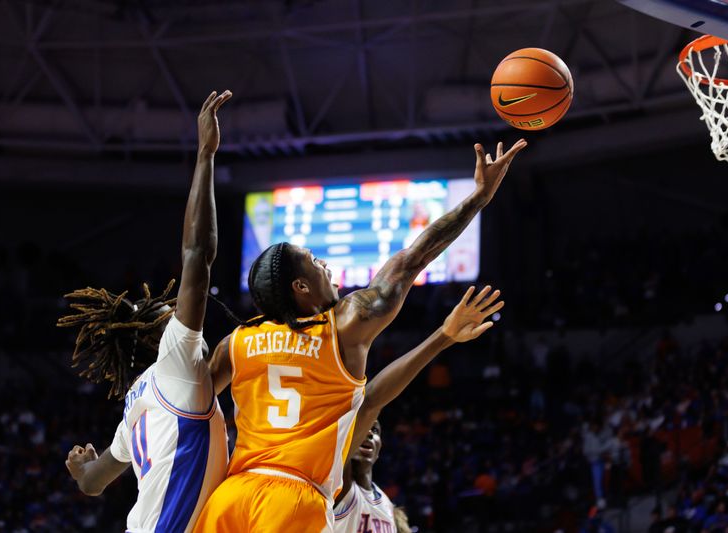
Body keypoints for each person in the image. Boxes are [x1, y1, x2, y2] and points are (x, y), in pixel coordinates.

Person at [196, 139, 527, 532]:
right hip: (293, 498)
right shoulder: (343, 326)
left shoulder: (235, 342)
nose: (327, 268)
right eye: (316, 263)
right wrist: (480, 197)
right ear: (301, 287)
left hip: (229, 496)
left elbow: (189, 406)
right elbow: (410, 261)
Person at [59, 90, 232, 532]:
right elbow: (197, 255)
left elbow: (94, 484)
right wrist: (205, 156)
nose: (173, 309)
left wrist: (82, 469)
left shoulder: (138, 406)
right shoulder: (174, 361)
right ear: (158, 332)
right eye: (163, 310)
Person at [335, 285, 503, 533]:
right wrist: (443, 337)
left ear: (383, 445)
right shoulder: (335, 484)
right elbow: (371, 401)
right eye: (362, 427)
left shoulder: (387, 507)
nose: (367, 434)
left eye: (374, 430)